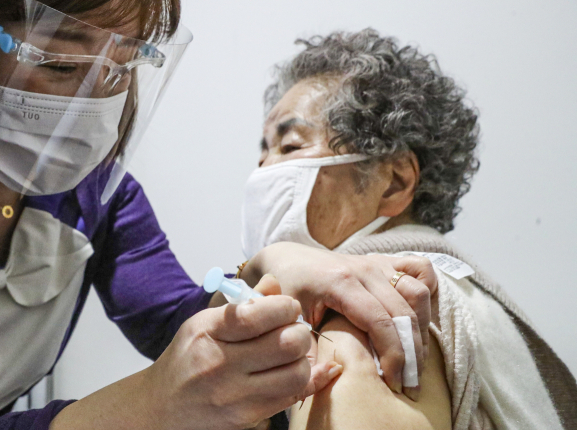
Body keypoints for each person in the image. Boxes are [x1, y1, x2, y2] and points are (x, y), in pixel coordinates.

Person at [0, 1, 441, 430]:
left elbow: (173, 323)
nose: (92, 100)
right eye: (61, 64)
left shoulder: (100, 198)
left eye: (120, 70)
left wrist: (273, 264)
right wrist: (151, 401)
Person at [241, 29, 577, 429]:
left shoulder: (371, 315)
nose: (262, 170)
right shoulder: (472, 300)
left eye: (291, 146)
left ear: (395, 183)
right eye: (263, 151)